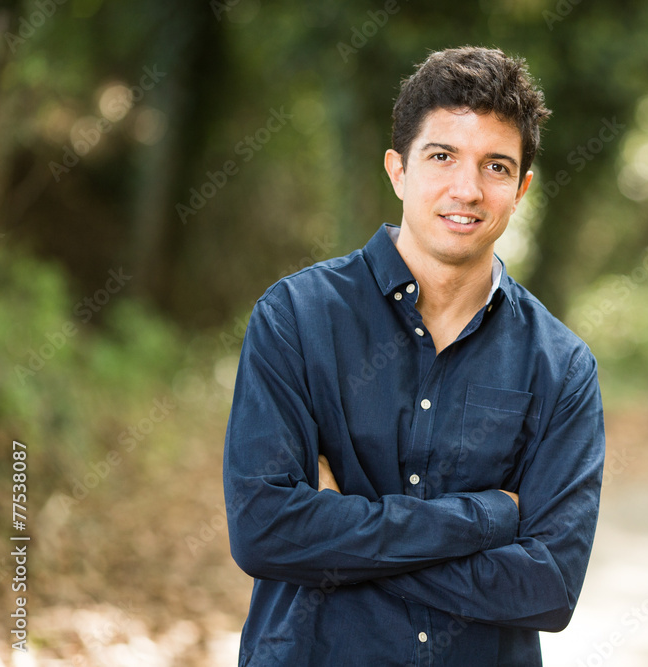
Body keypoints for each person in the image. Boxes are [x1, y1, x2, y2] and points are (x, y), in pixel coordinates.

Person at [223, 45, 606, 666]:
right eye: (442, 156)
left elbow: (549, 587)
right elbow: (264, 531)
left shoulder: (560, 367)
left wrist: (335, 532)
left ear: (521, 188)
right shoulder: (296, 318)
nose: (467, 189)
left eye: (496, 167)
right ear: (397, 170)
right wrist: (484, 520)